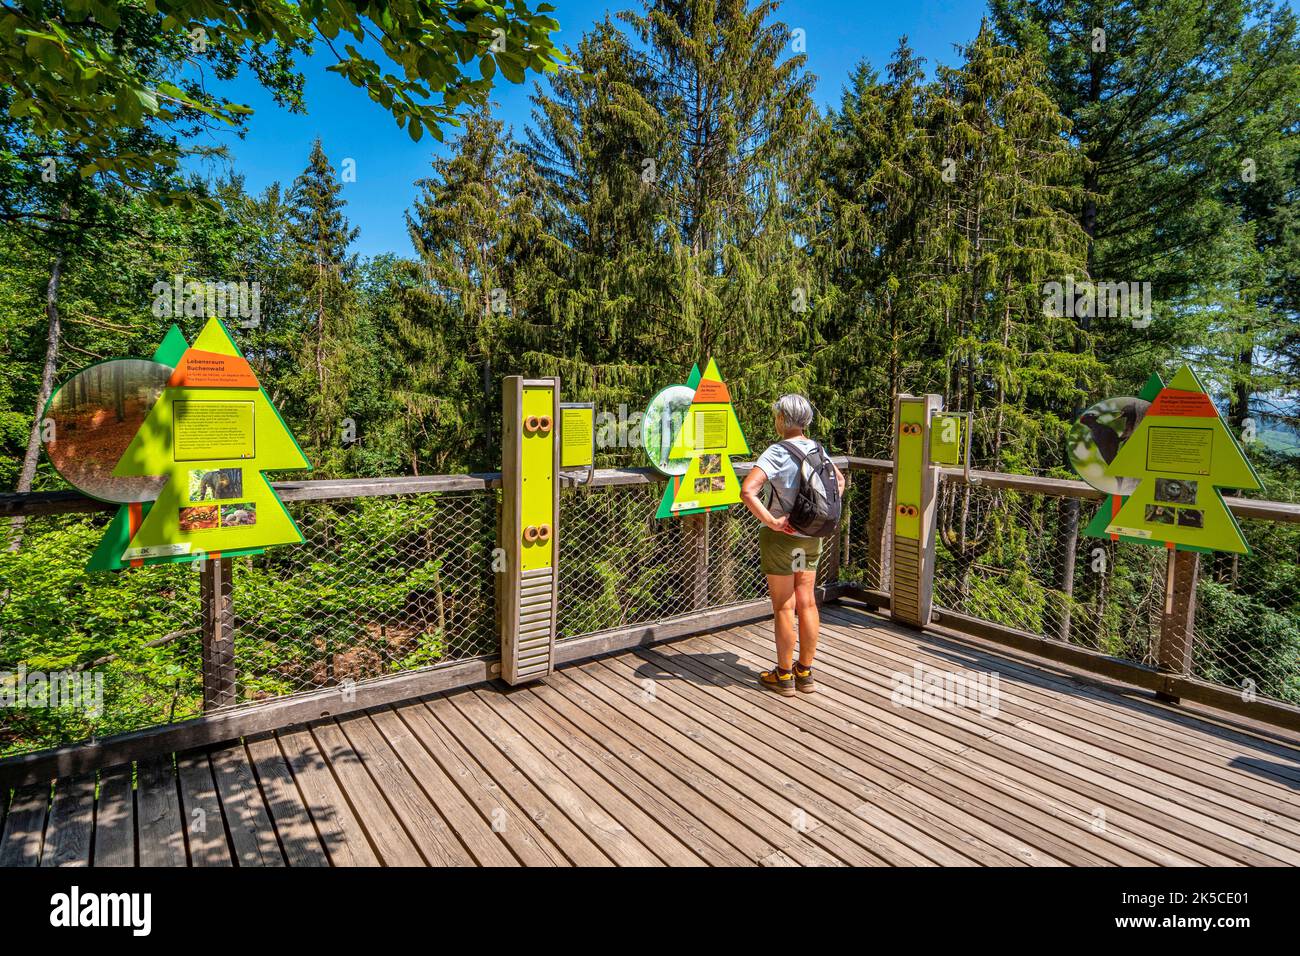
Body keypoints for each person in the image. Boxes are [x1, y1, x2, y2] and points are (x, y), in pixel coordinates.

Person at [740, 394, 845, 697]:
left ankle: (784, 675)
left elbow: (748, 491)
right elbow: (838, 483)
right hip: (810, 539)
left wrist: (773, 521)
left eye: (776, 416)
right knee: (807, 601)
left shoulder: (777, 452)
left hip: (782, 539)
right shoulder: (818, 449)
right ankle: (805, 672)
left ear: (782, 420)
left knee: (784, 605)